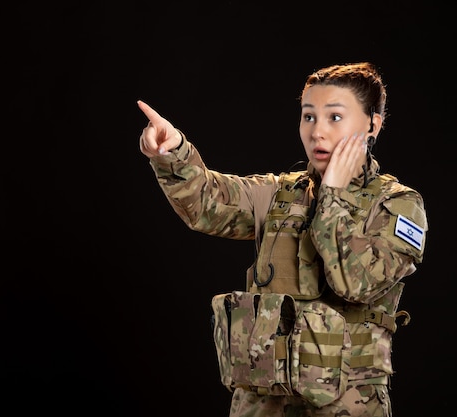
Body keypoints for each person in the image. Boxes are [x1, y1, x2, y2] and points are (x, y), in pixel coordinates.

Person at [136, 62, 428, 417]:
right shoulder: (279, 193)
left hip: (347, 404)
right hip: (263, 400)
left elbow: (357, 284)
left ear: (372, 125)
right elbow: (207, 203)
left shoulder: (398, 205)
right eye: (308, 116)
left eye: (334, 117)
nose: (317, 131)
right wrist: (173, 151)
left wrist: (333, 194)